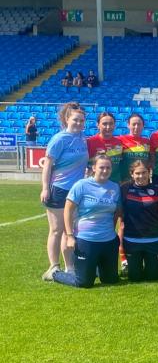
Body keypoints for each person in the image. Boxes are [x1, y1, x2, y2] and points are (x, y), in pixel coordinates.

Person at [45, 154, 121, 288]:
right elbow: (67, 210)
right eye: (101, 167)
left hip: (108, 241)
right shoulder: (81, 185)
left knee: (111, 280)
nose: (105, 170)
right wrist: (69, 236)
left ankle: (94, 267)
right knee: (84, 282)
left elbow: (116, 213)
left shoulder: (114, 187)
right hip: (86, 240)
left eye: (108, 168)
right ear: (94, 168)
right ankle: (55, 274)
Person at [40, 102, 88, 280]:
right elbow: (47, 165)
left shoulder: (83, 138)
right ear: (68, 119)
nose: (78, 123)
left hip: (76, 192)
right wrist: (45, 188)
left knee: (71, 230)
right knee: (56, 229)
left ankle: (70, 267)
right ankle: (53, 267)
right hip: (59, 190)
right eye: (75, 120)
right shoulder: (59, 139)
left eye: (82, 120)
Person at [120, 160, 158, 282]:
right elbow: (120, 217)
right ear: (132, 174)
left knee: (153, 277)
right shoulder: (124, 189)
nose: (141, 176)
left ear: (149, 172)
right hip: (132, 240)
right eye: (137, 173)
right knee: (135, 278)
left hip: (154, 240)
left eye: (144, 172)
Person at [86, 112, 124, 183]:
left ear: (114, 125)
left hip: (115, 183)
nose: (108, 127)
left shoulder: (120, 142)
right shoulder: (90, 142)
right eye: (104, 124)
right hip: (96, 184)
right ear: (98, 125)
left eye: (111, 124)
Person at [119, 113, 150, 179]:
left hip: (142, 179)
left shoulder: (148, 142)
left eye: (139, 124)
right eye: (134, 124)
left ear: (143, 126)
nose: (136, 127)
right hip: (125, 180)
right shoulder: (120, 140)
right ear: (128, 125)